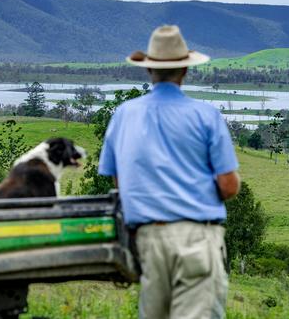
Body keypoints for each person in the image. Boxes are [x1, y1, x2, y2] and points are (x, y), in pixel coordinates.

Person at [98, 25, 241, 319]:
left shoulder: (124, 114)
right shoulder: (206, 115)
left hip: (147, 239)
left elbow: (120, 182)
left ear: (149, 71)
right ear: (185, 71)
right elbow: (228, 186)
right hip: (196, 238)